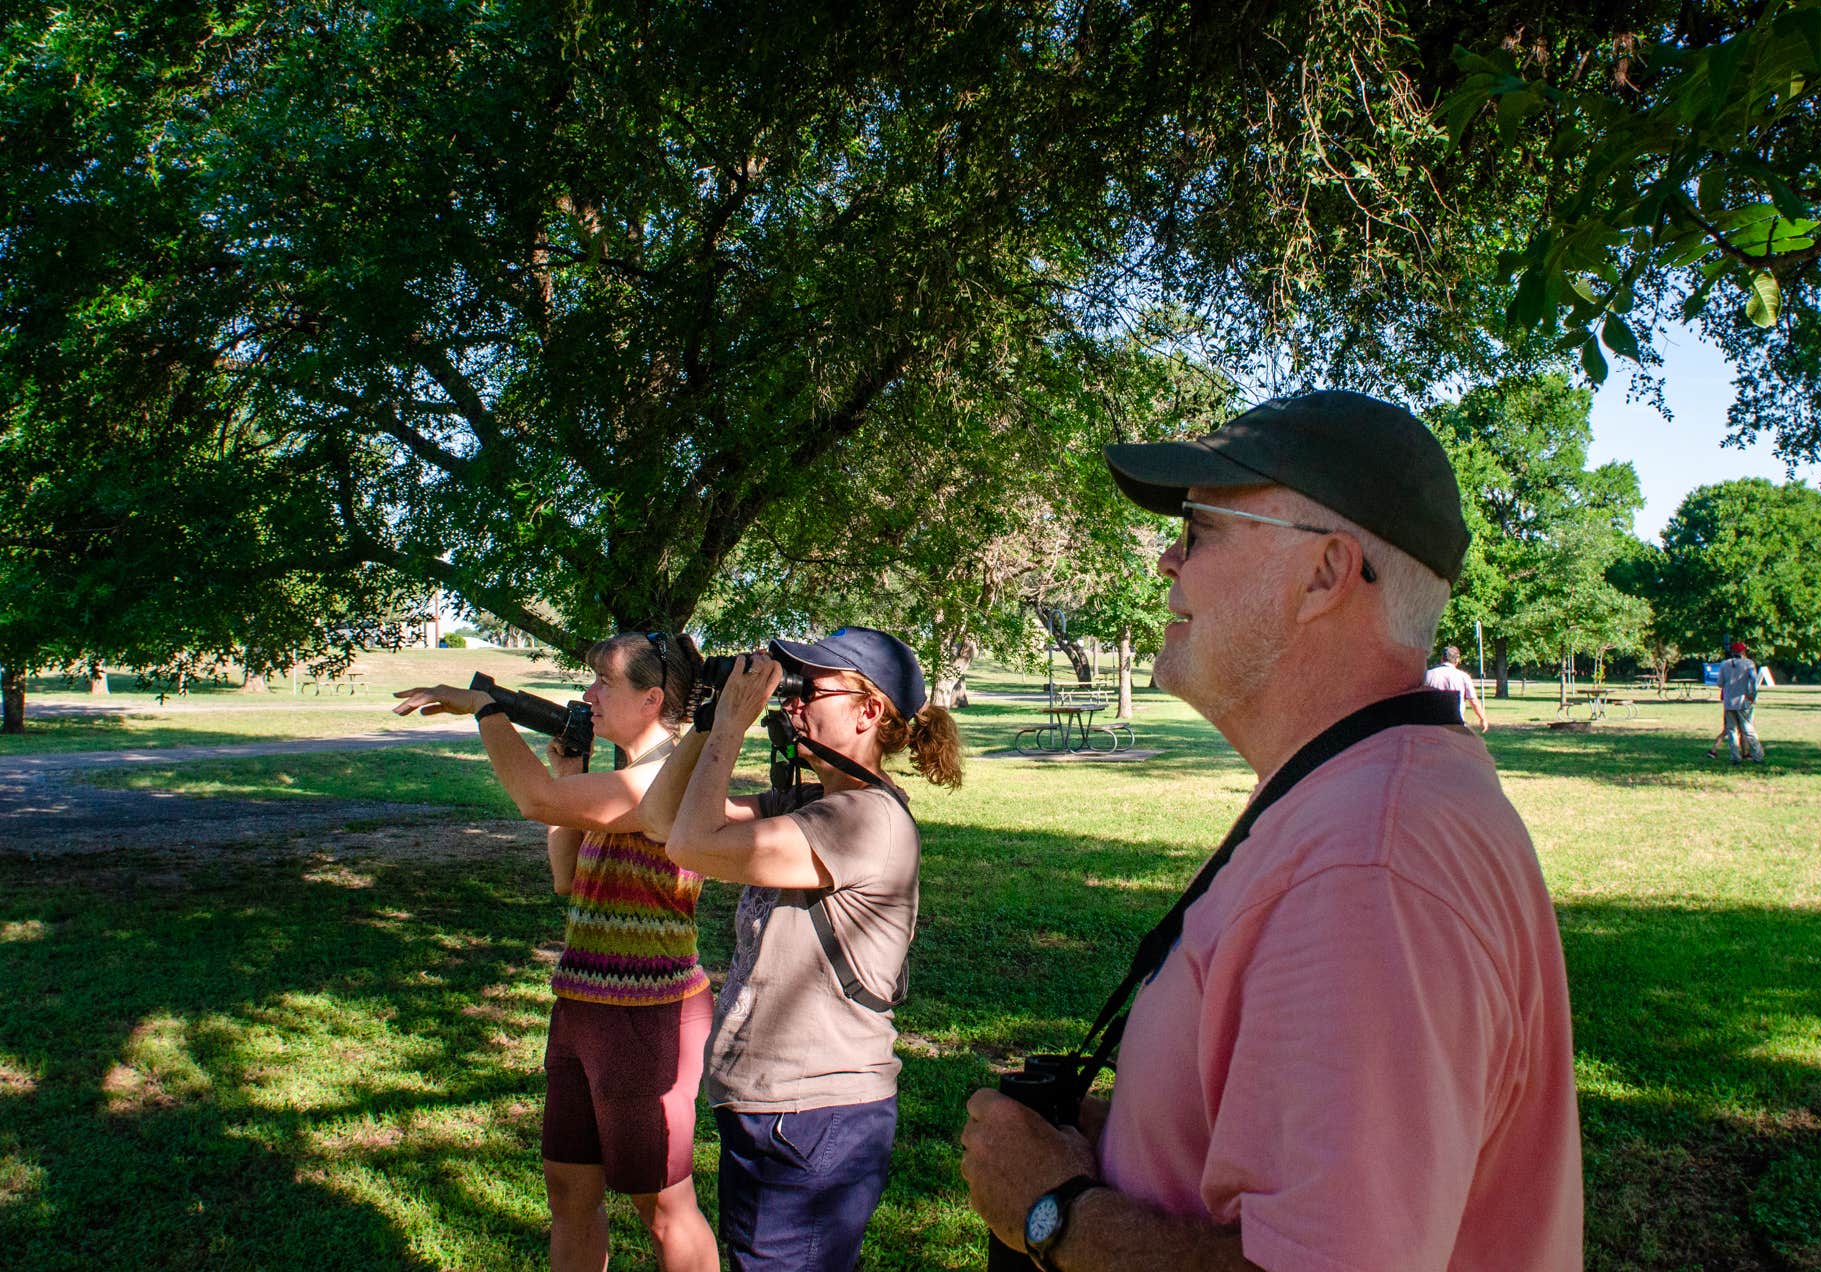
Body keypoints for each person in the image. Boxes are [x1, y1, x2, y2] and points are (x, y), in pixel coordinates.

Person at [959, 390, 1583, 1270]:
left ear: (1326, 574)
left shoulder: (1369, 864)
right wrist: (1139, 1132)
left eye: (1201, 529)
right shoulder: (1368, 795)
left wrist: (1053, 1210)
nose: (1167, 562)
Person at [634, 626, 964, 1271]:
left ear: (868, 710)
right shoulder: (812, 802)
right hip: (778, 1103)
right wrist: (709, 719)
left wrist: (732, 723)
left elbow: (690, 846)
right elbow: (659, 820)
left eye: (807, 688)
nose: (789, 702)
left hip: (814, 1116)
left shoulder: (864, 820)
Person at [392, 634, 720, 1272]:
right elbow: (567, 877)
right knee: (570, 1191)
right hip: (582, 1005)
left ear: (652, 699)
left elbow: (532, 797)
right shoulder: (617, 778)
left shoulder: (659, 779)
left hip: (645, 1012)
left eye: (604, 683)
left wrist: (487, 707)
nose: (589, 695)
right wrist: (572, 780)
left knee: (663, 1207)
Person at [1707, 640, 1765, 764]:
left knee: (1731, 730)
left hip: (1729, 702)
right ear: (1743, 651)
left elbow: (1720, 683)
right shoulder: (1748, 664)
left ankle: (1735, 757)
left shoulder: (1724, 664)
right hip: (1743, 700)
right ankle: (1758, 755)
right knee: (1748, 729)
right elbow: (1754, 681)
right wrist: (1752, 696)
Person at [1424, 644, 1489, 732]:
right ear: (1457, 660)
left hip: (1432, 723)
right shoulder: (1463, 677)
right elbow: (1473, 700)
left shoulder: (1428, 675)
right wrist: (1482, 718)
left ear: (1442, 658)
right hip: (1455, 722)